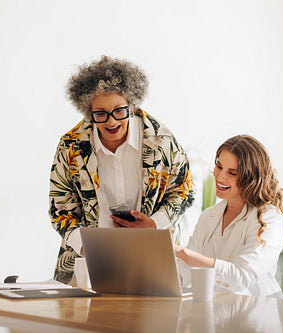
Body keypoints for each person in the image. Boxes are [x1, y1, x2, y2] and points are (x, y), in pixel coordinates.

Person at [49, 56, 195, 283]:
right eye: (100, 113)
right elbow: (61, 210)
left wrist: (155, 223)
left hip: (150, 259)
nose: (111, 121)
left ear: (132, 104)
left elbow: (184, 190)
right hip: (87, 265)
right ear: (88, 111)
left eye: (119, 110)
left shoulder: (161, 140)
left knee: (154, 319)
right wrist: (87, 247)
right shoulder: (71, 146)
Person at [174, 135, 283, 297]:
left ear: (251, 178)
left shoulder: (269, 219)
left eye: (232, 173)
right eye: (219, 166)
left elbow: (241, 277)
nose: (220, 176)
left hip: (258, 312)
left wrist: (183, 253)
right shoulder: (209, 216)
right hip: (218, 310)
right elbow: (185, 270)